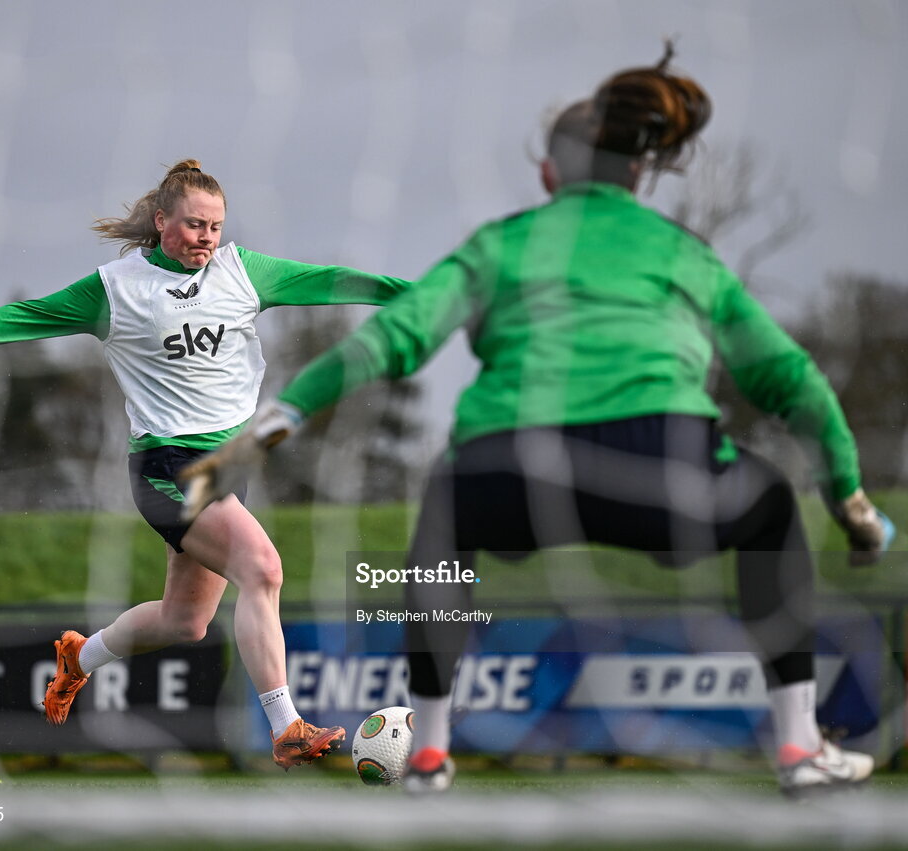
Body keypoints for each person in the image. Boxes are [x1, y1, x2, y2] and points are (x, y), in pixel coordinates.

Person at [214, 50, 895, 795]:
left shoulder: (498, 244)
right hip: (665, 467)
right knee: (770, 508)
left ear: (548, 173)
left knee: (443, 516)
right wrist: (853, 504)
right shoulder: (686, 254)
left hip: (509, 467)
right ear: (638, 173)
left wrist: (278, 419)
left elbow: (390, 338)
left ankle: (431, 751)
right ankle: (800, 745)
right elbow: (791, 381)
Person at [0, 159, 412, 769]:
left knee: (185, 622)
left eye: (216, 227)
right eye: (195, 225)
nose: (208, 238)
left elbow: (332, 280)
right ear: (161, 221)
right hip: (166, 467)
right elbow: (27, 316)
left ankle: (79, 658)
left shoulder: (244, 271)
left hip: (229, 466)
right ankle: (287, 726)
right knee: (263, 568)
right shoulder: (115, 288)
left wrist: (420, 297)